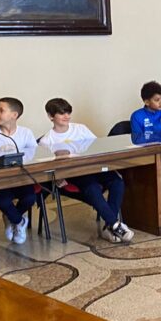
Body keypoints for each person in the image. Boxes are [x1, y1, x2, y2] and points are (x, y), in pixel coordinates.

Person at [40, 98, 134, 244]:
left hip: (94, 167)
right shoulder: (47, 141)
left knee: (117, 181)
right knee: (91, 187)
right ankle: (115, 225)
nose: (66, 116)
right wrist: (58, 176)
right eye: (62, 113)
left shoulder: (81, 129)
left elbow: (97, 147)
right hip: (75, 173)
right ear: (51, 116)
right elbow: (47, 166)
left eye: (68, 113)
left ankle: (110, 226)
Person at [0, 96, 38, 245]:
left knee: (30, 198)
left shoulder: (26, 133)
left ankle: (11, 217)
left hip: (20, 178)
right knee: (3, 201)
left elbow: (33, 156)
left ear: (14, 115)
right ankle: (19, 221)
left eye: (1, 110)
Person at [131, 80, 161, 145]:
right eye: (157, 100)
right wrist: (157, 134)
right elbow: (137, 139)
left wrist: (149, 136)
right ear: (147, 102)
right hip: (144, 150)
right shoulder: (136, 116)